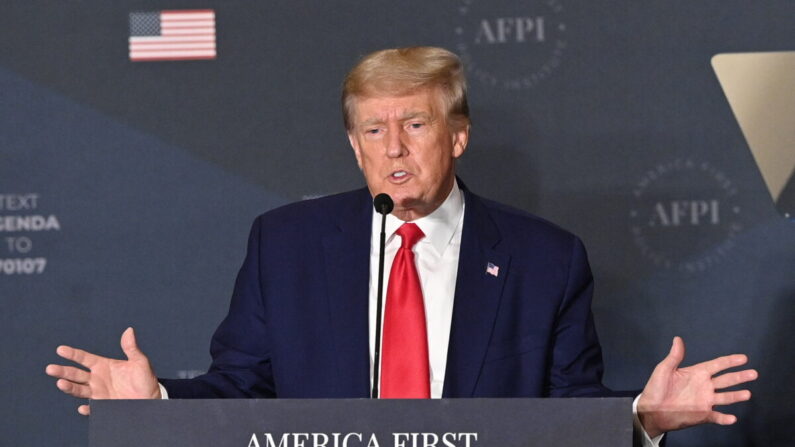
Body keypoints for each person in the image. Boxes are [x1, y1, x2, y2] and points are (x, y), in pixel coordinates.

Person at [46, 46, 757, 445]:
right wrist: (158, 400)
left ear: (457, 136)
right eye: (372, 130)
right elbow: (241, 391)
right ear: (352, 146)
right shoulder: (285, 246)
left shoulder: (546, 259)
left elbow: (563, 413)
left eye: (414, 126)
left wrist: (640, 416)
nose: (392, 148)